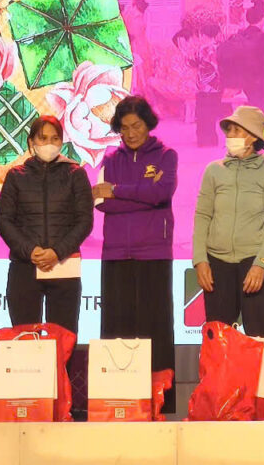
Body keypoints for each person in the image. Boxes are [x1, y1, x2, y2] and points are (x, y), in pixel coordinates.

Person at [93, 96, 178, 413]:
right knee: (117, 331)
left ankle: (160, 404)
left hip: (154, 253)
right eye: (124, 127)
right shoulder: (109, 161)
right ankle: (118, 402)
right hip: (116, 254)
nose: (130, 133)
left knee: (156, 328)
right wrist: (140, 196)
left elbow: (161, 192)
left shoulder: (166, 156)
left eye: (136, 126)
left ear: (148, 124)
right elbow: (102, 204)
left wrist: (118, 190)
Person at [0, 116, 93, 334]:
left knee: (63, 340)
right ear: (31, 142)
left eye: (54, 138)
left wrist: (57, 252)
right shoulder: (16, 176)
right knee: (25, 339)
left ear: (61, 142)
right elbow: (3, 220)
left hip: (64, 266)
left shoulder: (76, 174)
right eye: (43, 138)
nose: (49, 143)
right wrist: (30, 250)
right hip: (24, 267)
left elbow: (84, 221)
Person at [193, 106, 264, 336]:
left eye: (236, 130)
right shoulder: (213, 170)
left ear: (252, 136)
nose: (229, 135)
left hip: (255, 263)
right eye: (229, 130)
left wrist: (261, 264)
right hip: (217, 264)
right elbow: (202, 215)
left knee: (260, 339)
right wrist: (200, 260)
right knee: (220, 340)